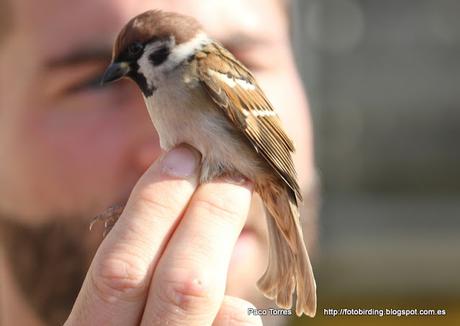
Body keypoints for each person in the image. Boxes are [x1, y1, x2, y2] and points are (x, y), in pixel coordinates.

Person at [0, 0, 317, 325]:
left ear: (165, 48)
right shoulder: (159, 92)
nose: (151, 150)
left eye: (133, 55)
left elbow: (258, 129)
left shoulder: (205, 68)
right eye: (91, 83)